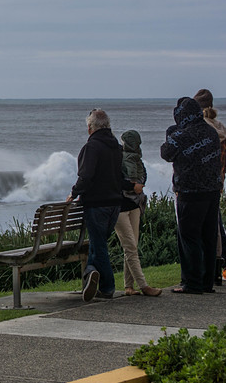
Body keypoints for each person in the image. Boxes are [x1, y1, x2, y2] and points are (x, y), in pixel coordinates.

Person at [160, 97, 222, 294]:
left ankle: (192, 283)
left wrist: (170, 134)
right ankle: (206, 282)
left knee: (189, 237)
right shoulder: (210, 132)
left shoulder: (180, 135)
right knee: (208, 236)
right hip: (212, 191)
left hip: (189, 192)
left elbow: (166, 154)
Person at [67, 109, 127, 301]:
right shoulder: (117, 147)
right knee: (98, 243)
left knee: (99, 246)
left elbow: (86, 176)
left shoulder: (92, 147)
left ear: (90, 128)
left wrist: (74, 193)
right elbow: (121, 176)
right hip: (115, 205)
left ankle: (107, 286)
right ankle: (91, 272)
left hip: (96, 205)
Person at [193, 88, 226, 283]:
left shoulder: (199, 129)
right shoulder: (221, 128)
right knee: (216, 223)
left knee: (202, 226)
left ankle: (216, 265)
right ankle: (224, 263)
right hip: (217, 182)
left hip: (199, 184)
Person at [114, 130, 162, 297]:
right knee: (130, 247)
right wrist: (131, 186)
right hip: (120, 208)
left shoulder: (137, 159)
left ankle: (128, 286)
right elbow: (115, 180)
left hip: (135, 206)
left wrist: (138, 184)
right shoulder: (118, 158)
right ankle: (144, 285)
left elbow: (143, 176)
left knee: (132, 245)